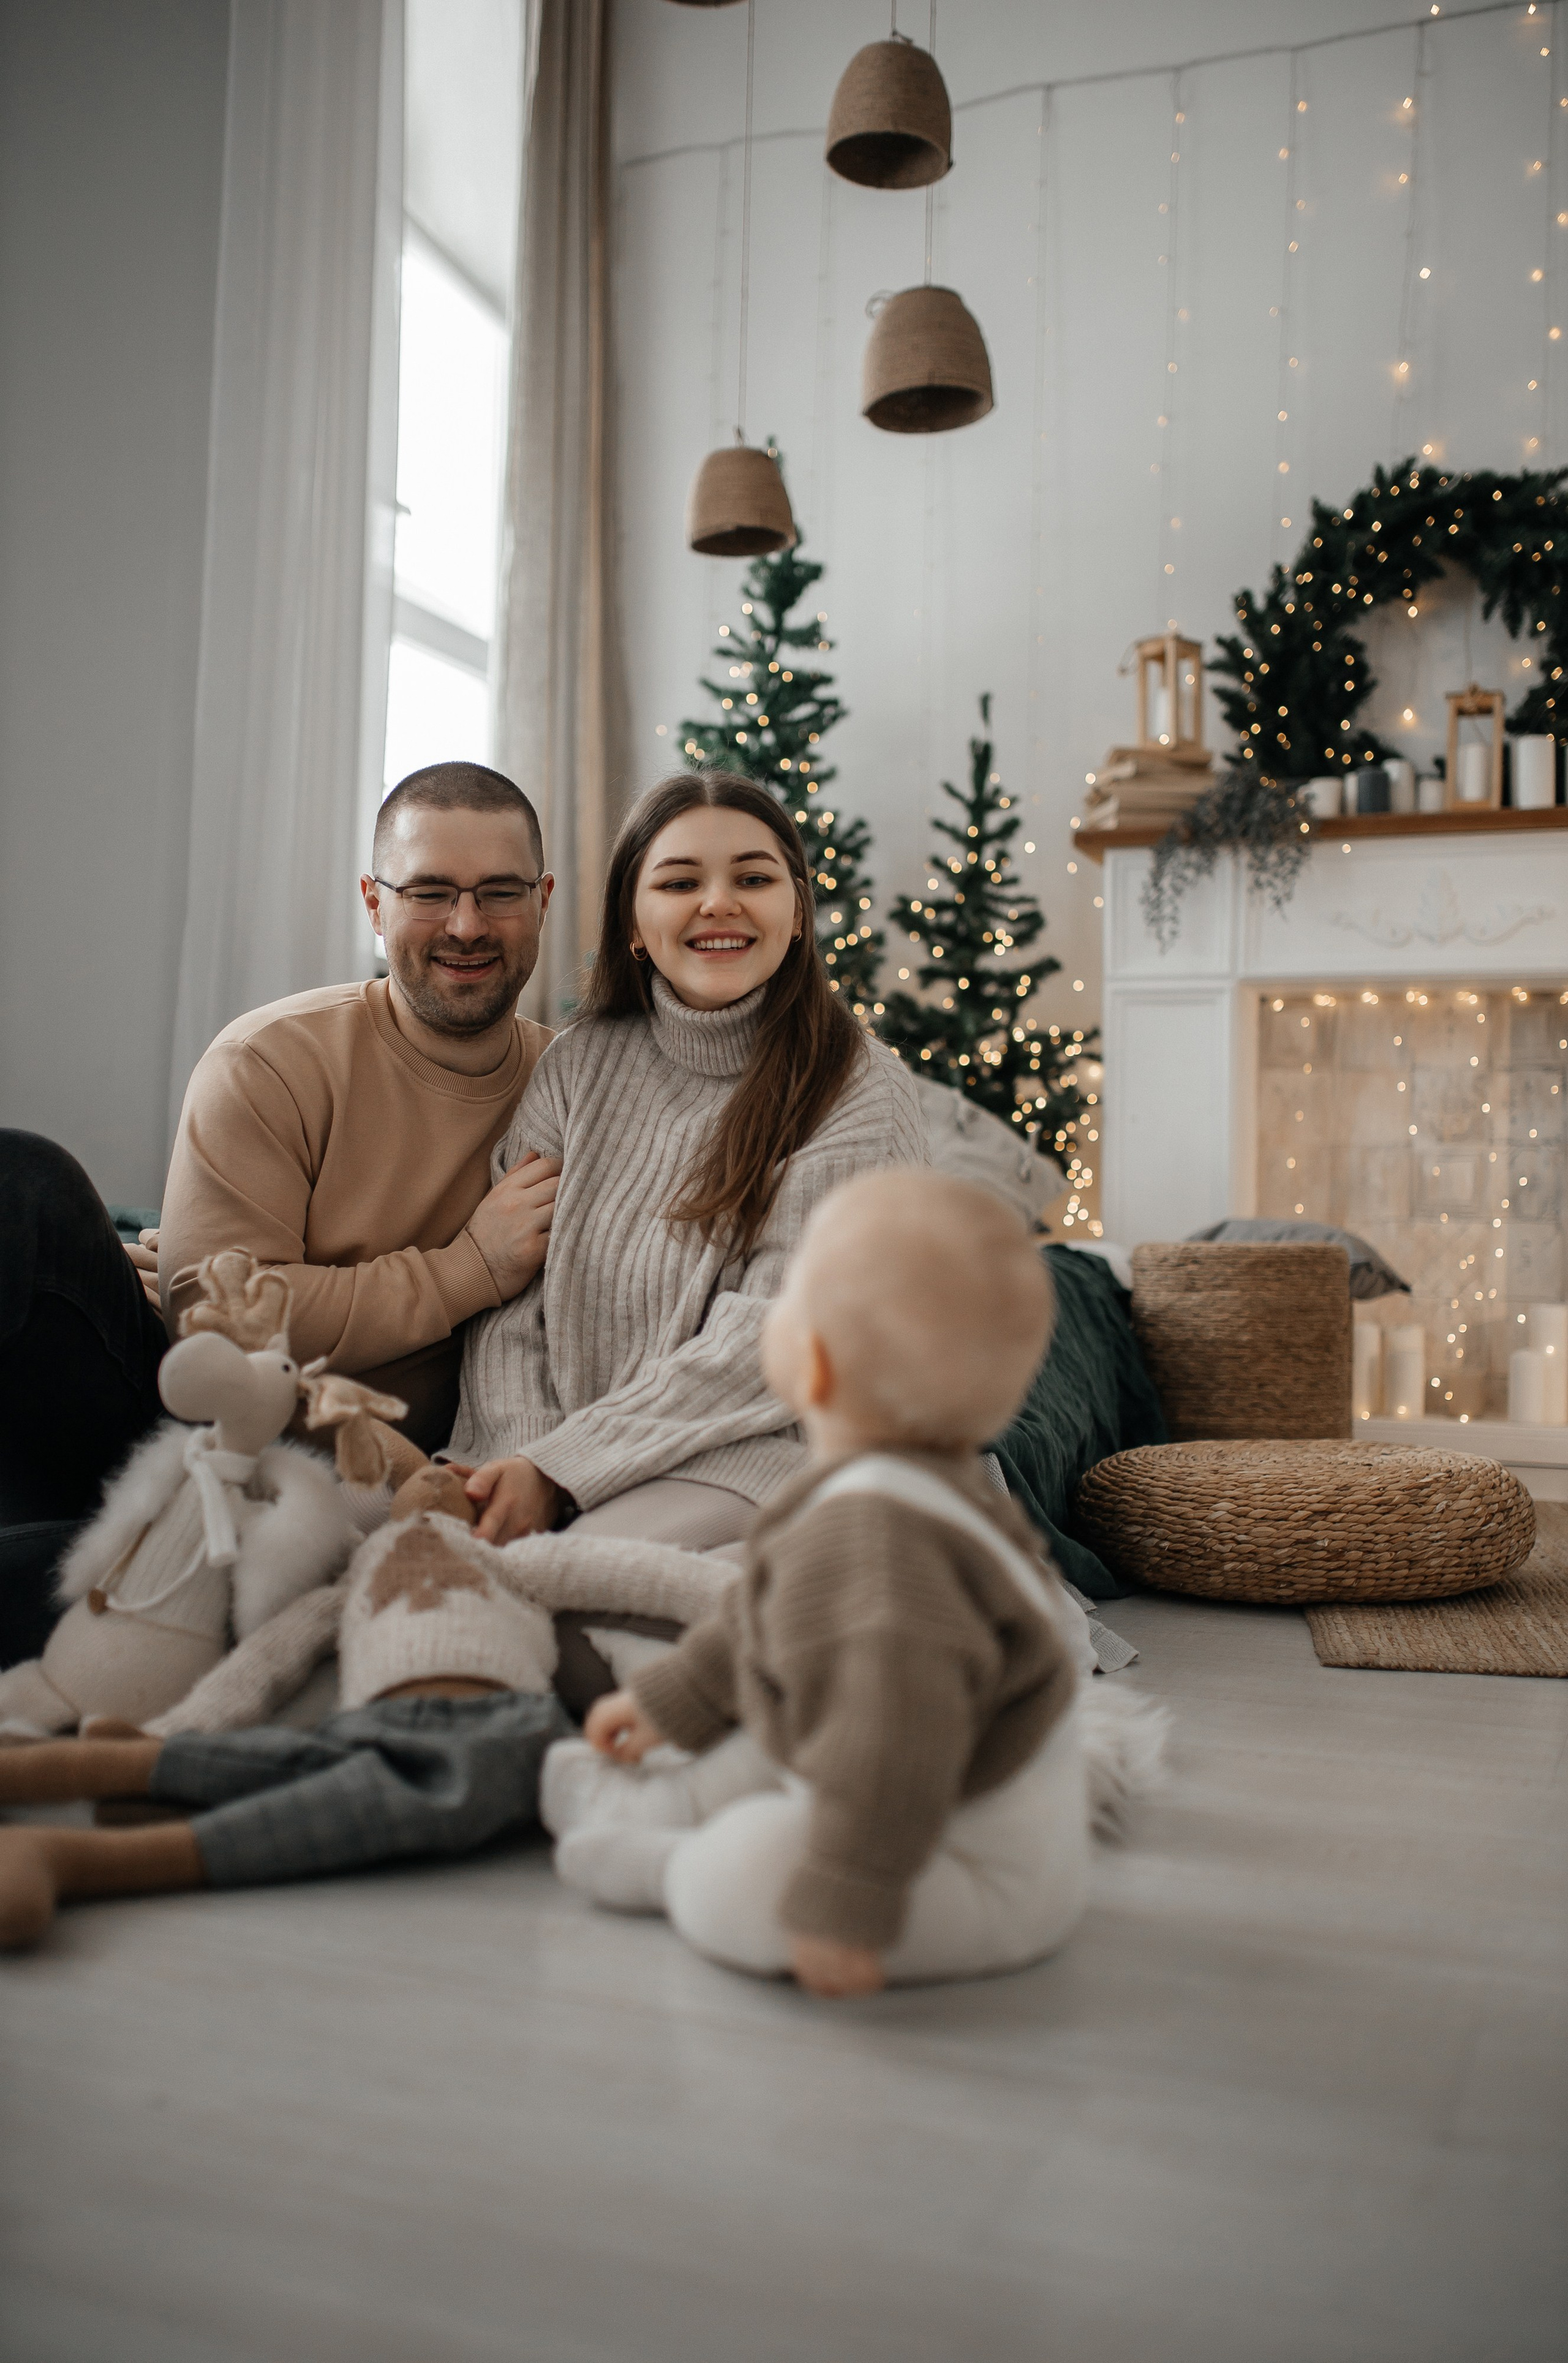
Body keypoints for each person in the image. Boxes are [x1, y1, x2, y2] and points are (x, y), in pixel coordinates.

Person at [0, 762, 560, 1657]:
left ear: (543, 901)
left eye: (500, 892)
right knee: (22, 1186)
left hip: (364, 1482)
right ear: (375, 905)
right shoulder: (271, 1059)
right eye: (430, 893)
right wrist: (469, 1270)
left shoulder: (578, 1090)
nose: (467, 925)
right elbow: (216, 1330)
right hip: (193, 1416)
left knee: (76, 1576)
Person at [541, 1170, 1096, 1999]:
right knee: (777, 1725)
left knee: (748, 1865)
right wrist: (667, 1703)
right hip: (933, 1813)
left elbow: (891, 1743)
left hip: (964, 1875)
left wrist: (847, 1900)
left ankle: (673, 1865)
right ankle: (663, 1802)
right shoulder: (908, 1484)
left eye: (789, 1291)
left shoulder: (883, 1550)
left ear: (817, 1363)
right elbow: (759, 1620)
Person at [443, 769, 927, 1571]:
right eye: (679, 881)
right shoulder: (578, 1065)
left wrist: (563, 1472)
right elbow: (509, 1309)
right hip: (556, 1457)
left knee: (553, 1594)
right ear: (633, 920)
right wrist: (525, 1460)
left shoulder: (862, 1089)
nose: (718, 902)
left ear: (798, 910)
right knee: (426, 1574)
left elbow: (775, 1341)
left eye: (753, 877)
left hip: (761, 1453)